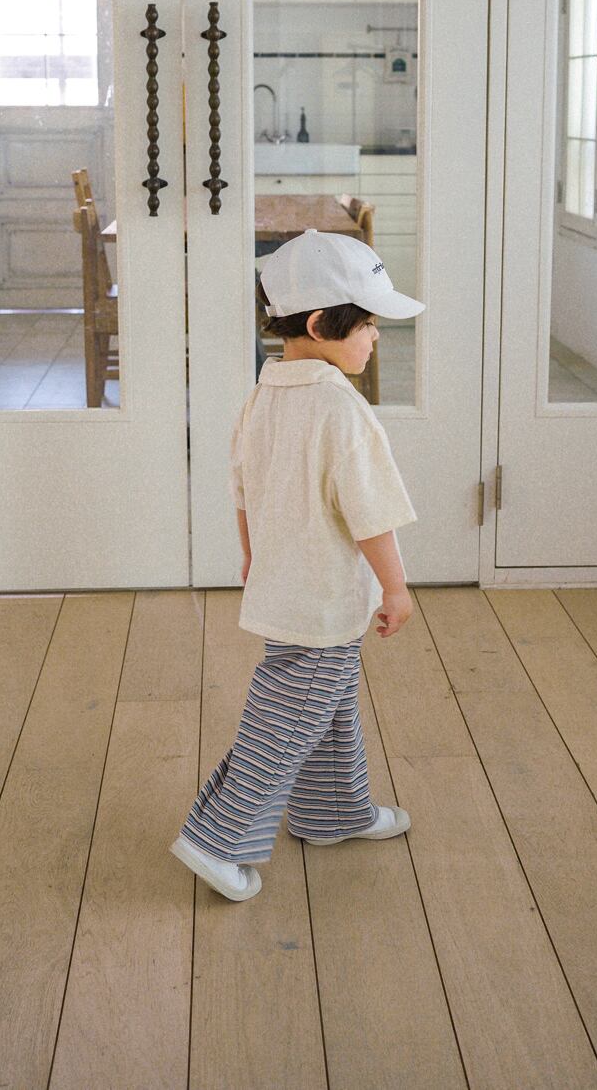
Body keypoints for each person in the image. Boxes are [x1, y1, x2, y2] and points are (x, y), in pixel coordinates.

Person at [170, 228, 425, 902]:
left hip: (284, 585)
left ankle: (333, 812)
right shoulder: (342, 410)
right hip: (322, 594)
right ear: (319, 325)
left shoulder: (263, 396)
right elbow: (371, 512)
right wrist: (396, 588)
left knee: (328, 703)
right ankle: (216, 840)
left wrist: (253, 556)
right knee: (290, 718)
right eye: (366, 324)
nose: (375, 337)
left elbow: (243, 489)